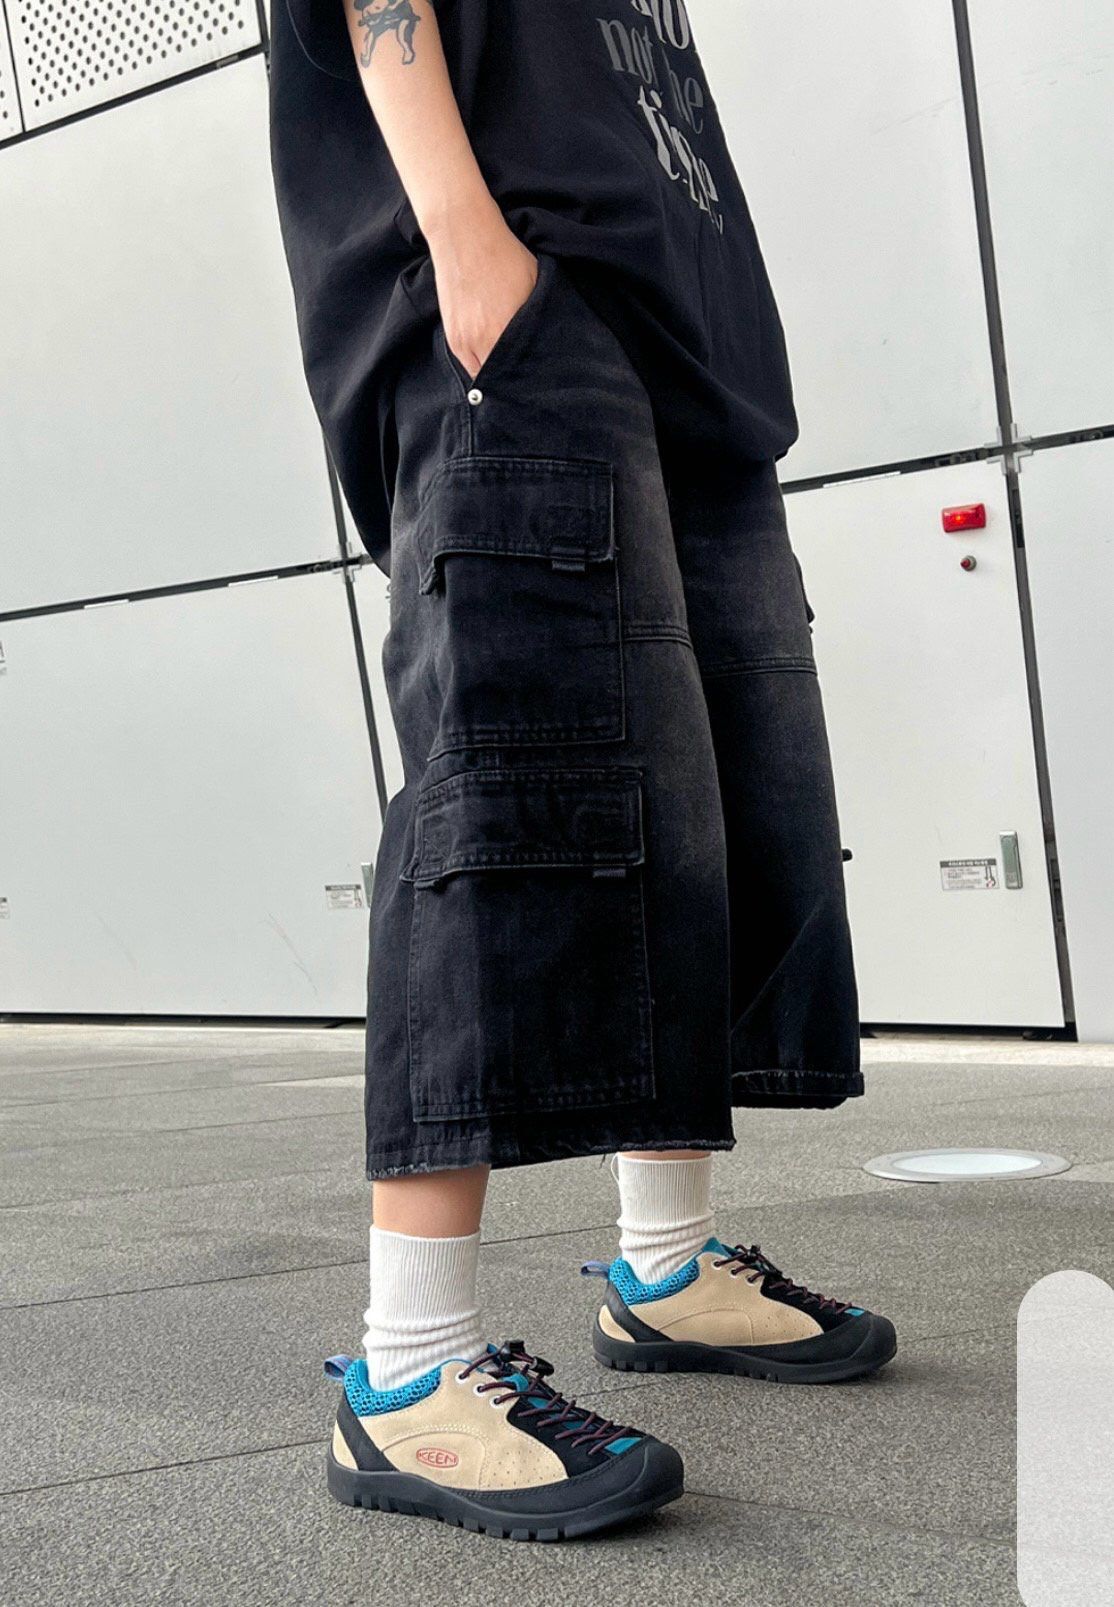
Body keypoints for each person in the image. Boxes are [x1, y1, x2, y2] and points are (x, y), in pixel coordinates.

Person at [269, 0, 896, 1542]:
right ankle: (408, 1370)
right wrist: (467, 248)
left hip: (686, 351)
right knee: (515, 795)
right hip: (519, 298)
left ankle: (664, 1267)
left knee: (694, 810)